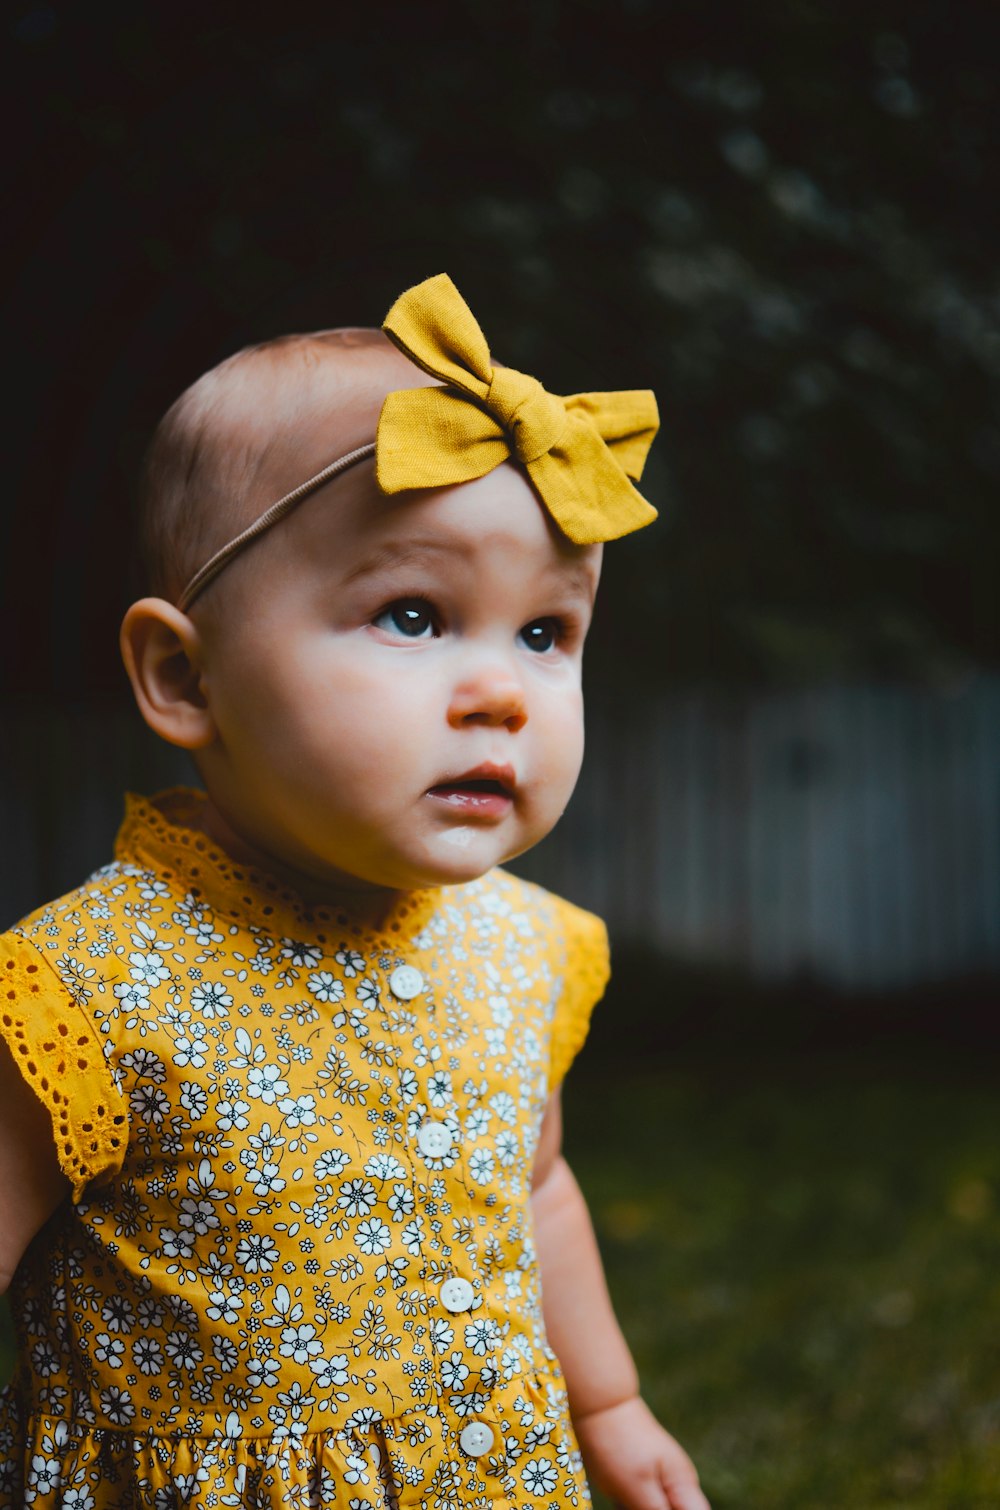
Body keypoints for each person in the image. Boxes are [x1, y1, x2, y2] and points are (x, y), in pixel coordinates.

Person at [0, 275, 710, 1510]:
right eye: (416, 613)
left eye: (546, 632)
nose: (502, 691)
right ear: (184, 675)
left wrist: (607, 1399)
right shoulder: (87, 992)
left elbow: (532, 1186)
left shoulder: (523, 950)